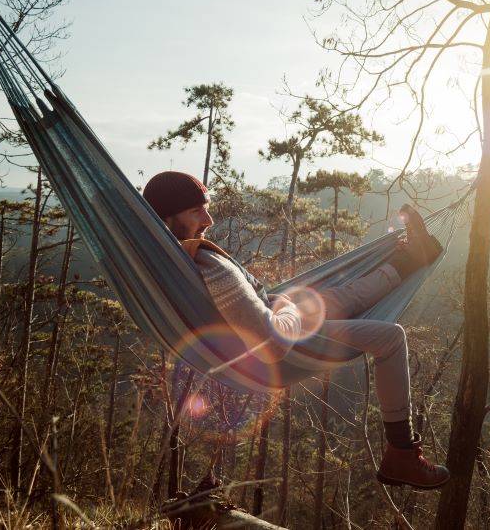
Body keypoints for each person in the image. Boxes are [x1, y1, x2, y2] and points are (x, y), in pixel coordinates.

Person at [143, 170, 450, 490]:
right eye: (196, 211)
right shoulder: (210, 265)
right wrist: (286, 309)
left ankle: (410, 259)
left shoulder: (165, 263)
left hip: (252, 331)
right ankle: (401, 453)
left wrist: (284, 306)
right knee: (390, 337)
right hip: (276, 349)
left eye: (206, 208)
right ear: (166, 218)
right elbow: (271, 344)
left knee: (336, 299)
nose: (208, 220)